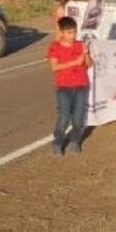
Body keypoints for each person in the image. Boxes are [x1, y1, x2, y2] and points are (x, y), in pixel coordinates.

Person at [47, 16, 92, 156]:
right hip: (64, 87)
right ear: (61, 32)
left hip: (81, 85)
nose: (73, 36)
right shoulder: (55, 47)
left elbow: (89, 64)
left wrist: (85, 55)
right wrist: (74, 63)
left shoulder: (80, 45)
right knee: (64, 117)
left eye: (74, 32)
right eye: (69, 33)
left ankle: (75, 141)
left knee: (78, 119)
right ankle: (58, 142)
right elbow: (54, 67)